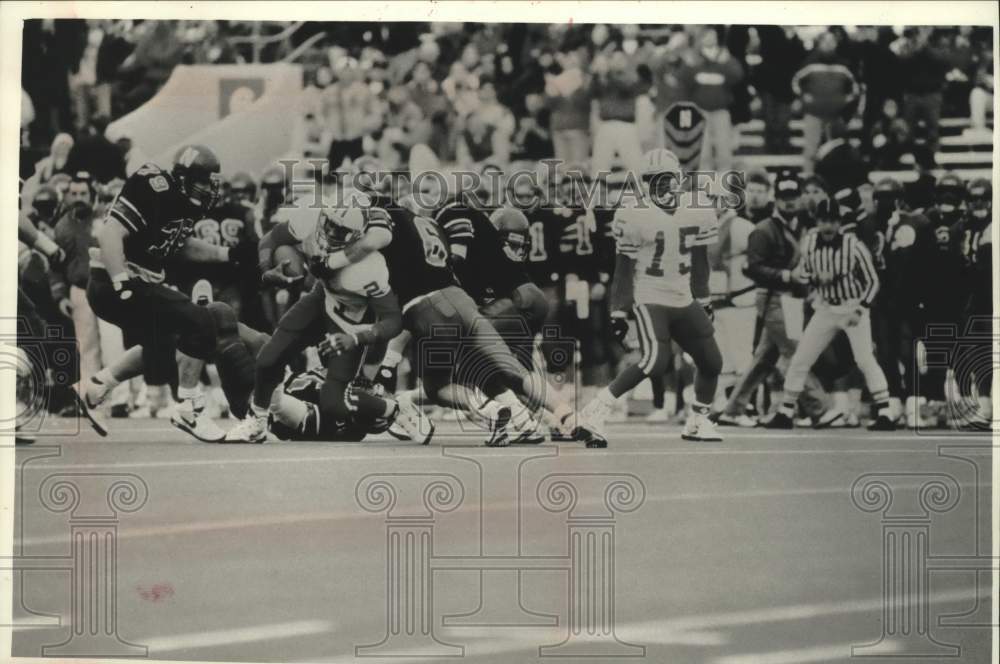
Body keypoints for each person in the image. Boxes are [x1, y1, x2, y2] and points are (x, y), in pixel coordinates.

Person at [74, 144, 252, 441]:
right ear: (183, 177)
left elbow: (179, 246)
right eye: (204, 181)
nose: (209, 188)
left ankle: (94, 387)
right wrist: (122, 280)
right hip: (114, 280)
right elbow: (110, 232)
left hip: (131, 282)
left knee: (162, 344)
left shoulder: (184, 202)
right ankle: (189, 406)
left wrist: (228, 254)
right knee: (202, 321)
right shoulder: (153, 187)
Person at [224, 192, 418, 444]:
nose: (331, 234)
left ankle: (394, 408)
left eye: (341, 231)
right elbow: (271, 239)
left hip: (348, 320)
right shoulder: (309, 220)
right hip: (320, 298)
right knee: (270, 357)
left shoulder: (369, 267)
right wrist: (265, 270)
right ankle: (257, 420)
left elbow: (392, 321)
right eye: (330, 225)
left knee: (336, 403)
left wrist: (357, 339)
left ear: (357, 237)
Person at [579, 149, 723, 442]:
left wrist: (704, 300)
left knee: (711, 361)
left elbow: (699, 262)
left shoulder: (697, 207)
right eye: (652, 180)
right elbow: (623, 268)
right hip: (650, 294)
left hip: (682, 296)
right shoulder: (633, 213)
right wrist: (619, 310)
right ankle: (595, 409)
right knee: (656, 359)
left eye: (665, 179)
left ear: (678, 179)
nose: (660, 185)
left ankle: (698, 419)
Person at [715, 170, 836, 427]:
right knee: (796, 352)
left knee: (764, 359)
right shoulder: (764, 230)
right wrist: (785, 275)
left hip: (795, 299)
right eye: (784, 197)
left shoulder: (804, 225)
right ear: (776, 199)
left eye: (793, 196)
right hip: (775, 298)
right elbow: (752, 267)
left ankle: (733, 409)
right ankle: (820, 407)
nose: (789, 202)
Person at [764, 198, 894, 430]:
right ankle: (785, 411)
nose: (828, 227)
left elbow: (873, 281)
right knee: (801, 358)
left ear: (839, 222)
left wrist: (861, 308)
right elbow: (802, 275)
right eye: (824, 221)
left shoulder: (853, 246)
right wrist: (814, 280)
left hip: (851, 306)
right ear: (817, 221)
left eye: (833, 221)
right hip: (826, 308)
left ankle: (885, 412)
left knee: (864, 359)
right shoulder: (809, 243)